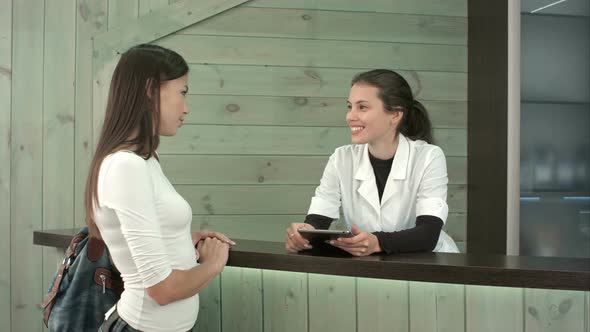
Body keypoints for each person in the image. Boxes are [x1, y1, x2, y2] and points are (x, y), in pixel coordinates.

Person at [84, 44, 234, 332]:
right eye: (183, 92)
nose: (186, 107)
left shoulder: (144, 160)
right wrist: (213, 264)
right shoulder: (127, 167)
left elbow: (138, 242)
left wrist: (179, 238)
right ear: (151, 91)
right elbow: (161, 290)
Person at [285, 69, 459, 256]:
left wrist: (377, 242)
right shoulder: (341, 158)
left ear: (395, 115)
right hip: (373, 268)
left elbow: (428, 234)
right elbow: (318, 221)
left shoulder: (429, 156)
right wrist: (303, 235)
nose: (350, 116)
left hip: (429, 266)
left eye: (362, 107)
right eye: (349, 106)